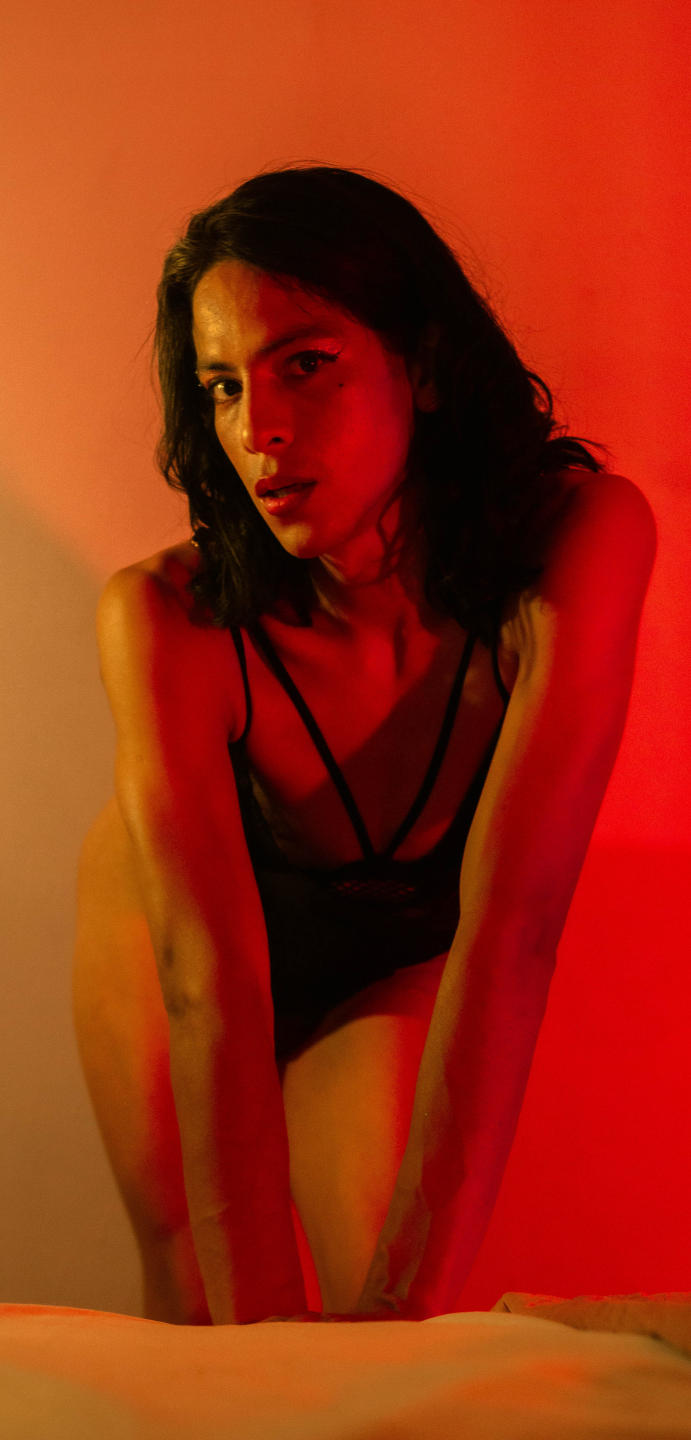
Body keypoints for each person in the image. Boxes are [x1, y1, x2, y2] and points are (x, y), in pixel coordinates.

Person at [72, 165, 656, 1327]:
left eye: (304, 364)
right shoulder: (168, 618)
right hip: (172, 946)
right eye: (222, 386)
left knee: (390, 1316)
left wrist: (397, 1334)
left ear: (425, 364)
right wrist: (263, 1362)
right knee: (200, 1314)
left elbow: (514, 935)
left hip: (386, 959)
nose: (257, 430)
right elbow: (207, 988)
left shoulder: (577, 541)